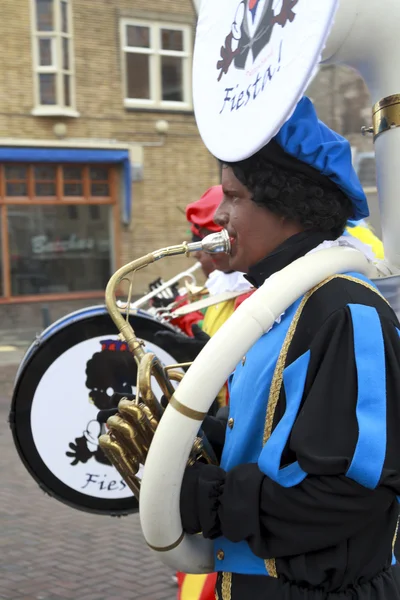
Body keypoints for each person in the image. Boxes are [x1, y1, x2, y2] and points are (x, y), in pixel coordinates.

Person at [177, 96, 400, 600]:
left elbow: (349, 491)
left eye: (233, 197)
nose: (220, 213)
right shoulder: (282, 305)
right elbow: (278, 441)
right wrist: (187, 439)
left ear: (288, 205)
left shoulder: (344, 310)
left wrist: (209, 499)